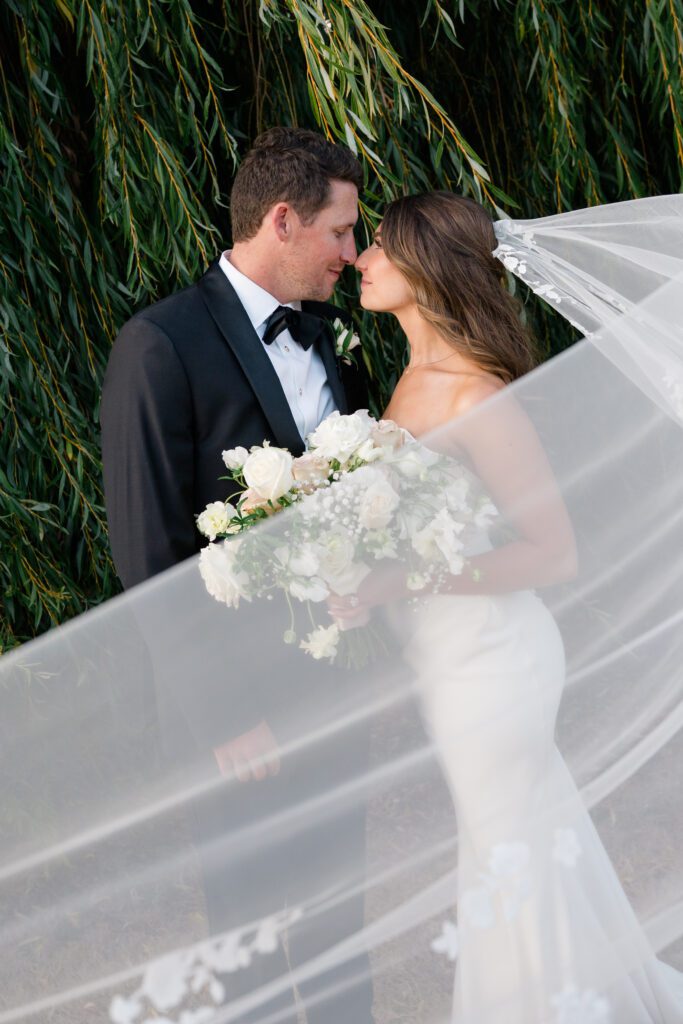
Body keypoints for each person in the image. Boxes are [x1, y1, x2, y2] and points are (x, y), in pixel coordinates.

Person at [326, 191, 683, 1022]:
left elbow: (550, 553)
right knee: (518, 848)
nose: (362, 263)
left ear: (422, 270)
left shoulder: (474, 397)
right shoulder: (411, 376)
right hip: (445, 658)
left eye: (378, 248)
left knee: (503, 853)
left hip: (495, 662)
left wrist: (398, 583)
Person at [100, 127, 376, 1024]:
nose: (353, 253)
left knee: (342, 924)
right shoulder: (160, 344)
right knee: (250, 935)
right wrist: (224, 715)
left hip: (333, 684)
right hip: (236, 712)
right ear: (283, 220)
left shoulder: (324, 336)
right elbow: (149, 553)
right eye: (340, 232)